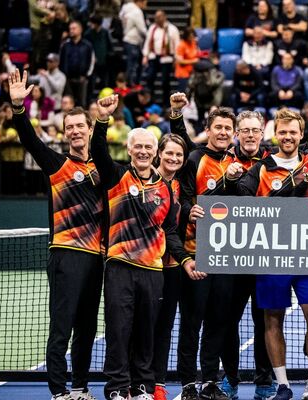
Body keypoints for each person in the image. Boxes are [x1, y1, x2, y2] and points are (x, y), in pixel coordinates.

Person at [8, 69, 103, 400]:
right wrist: (19, 109)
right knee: (62, 328)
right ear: (65, 135)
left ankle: (80, 387)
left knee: (87, 330)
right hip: (66, 255)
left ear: (91, 130)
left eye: (80, 126)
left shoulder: (105, 169)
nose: (76, 131)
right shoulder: (56, 165)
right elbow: (29, 139)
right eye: (70, 128)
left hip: (98, 259)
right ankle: (59, 392)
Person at [89, 94, 191, 400]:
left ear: (154, 152)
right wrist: (103, 120)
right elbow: (98, 151)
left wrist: (184, 259)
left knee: (147, 332)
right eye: (140, 146)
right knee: (119, 331)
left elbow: (170, 230)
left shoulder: (165, 189)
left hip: (153, 270)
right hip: (120, 266)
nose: (144, 151)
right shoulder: (116, 176)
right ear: (130, 150)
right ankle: (118, 388)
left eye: (149, 146)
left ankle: (144, 386)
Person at [236, 109, 308, 400]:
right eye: (283, 132)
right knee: (272, 318)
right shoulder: (261, 169)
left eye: (293, 132)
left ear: (301, 135)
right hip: (272, 256)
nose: (288, 136)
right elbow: (239, 202)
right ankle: (282, 385)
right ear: (275, 134)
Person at [174, 106, 245, 400]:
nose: (224, 132)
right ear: (209, 129)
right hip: (196, 253)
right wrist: (191, 210)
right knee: (192, 322)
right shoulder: (194, 159)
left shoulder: (237, 162)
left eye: (228, 128)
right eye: (219, 127)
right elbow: (184, 196)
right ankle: (189, 382)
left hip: (225, 256)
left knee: (219, 321)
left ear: (234, 133)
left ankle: (211, 381)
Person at [216, 110, 275, 400]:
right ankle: (230, 377)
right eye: (245, 130)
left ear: (262, 133)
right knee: (229, 319)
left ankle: (265, 379)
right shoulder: (222, 161)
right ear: (237, 133)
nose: (250, 135)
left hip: (265, 256)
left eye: (255, 130)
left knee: (265, 320)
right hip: (233, 257)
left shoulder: (274, 161)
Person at [149, 121, 189, 400]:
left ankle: (158, 382)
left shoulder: (180, 186)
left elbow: (174, 227)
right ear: (158, 154)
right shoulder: (144, 180)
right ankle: (135, 381)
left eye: (179, 155)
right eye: (169, 153)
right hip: (145, 265)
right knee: (141, 325)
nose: (174, 158)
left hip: (172, 267)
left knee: (164, 327)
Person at [143, 10, 180, 104]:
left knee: (165, 81)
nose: (157, 19)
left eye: (159, 17)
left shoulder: (172, 29)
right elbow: (147, 42)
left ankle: (166, 103)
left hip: (166, 58)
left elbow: (177, 44)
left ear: (164, 17)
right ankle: (150, 100)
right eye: (156, 17)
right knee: (150, 77)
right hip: (154, 56)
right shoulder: (152, 28)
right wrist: (145, 55)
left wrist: (176, 58)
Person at [59, 20, 95, 107]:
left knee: (81, 104)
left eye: (74, 28)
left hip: (81, 79)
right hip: (67, 79)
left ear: (80, 30)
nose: (71, 30)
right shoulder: (65, 45)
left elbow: (92, 61)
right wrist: (63, 75)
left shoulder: (87, 45)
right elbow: (61, 60)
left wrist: (86, 75)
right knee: (68, 103)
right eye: (70, 28)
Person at [119, 0, 148, 86]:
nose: (146, 4)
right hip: (133, 41)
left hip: (127, 38)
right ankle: (131, 84)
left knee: (130, 64)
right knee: (132, 65)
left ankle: (129, 83)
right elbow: (142, 29)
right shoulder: (137, 11)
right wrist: (149, 36)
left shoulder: (125, 8)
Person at [83, 15, 112, 92]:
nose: (91, 25)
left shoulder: (105, 32)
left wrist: (108, 55)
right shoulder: (88, 34)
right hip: (93, 62)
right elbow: (86, 48)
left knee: (104, 82)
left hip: (104, 61)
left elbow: (109, 45)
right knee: (91, 82)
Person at [175, 27, 201, 93]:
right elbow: (180, 61)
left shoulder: (194, 43)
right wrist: (193, 61)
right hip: (183, 74)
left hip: (192, 72)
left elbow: (197, 53)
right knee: (183, 93)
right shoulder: (181, 45)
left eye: (193, 36)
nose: (192, 38)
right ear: (186, 37)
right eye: (190, 37)